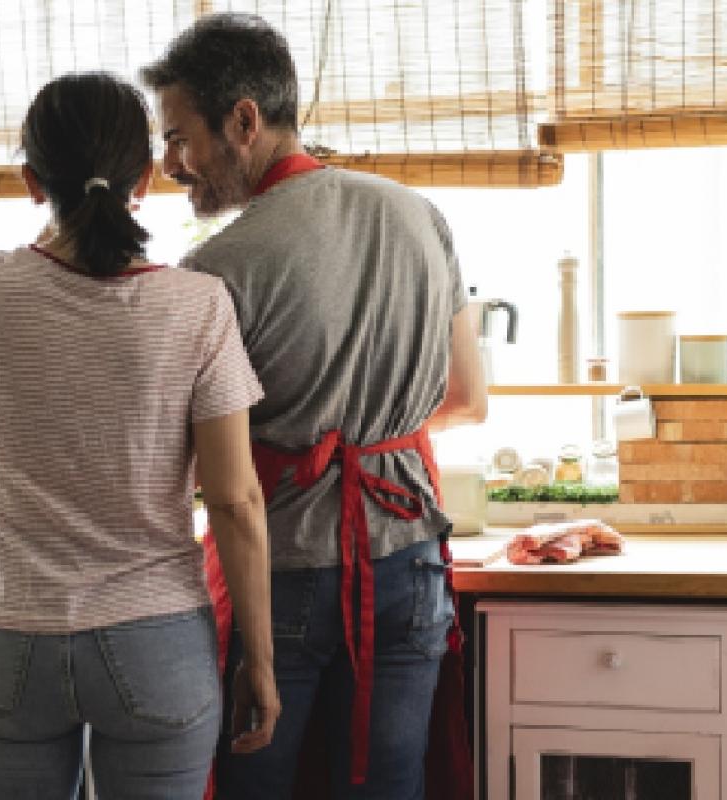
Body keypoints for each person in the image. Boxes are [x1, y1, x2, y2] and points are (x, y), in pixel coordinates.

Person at [141, 14, 488, 800]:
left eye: (178, 137)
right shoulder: (419, 215)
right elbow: (468, 397)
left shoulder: (217, 270)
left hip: (284, 570)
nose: (169, 165)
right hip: (412, 558)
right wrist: (365, 435)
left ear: (242, 121)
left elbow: (179, 457)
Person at [0, 71, 281, 800]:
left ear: (32, 182)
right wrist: (259, 658)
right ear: (147, 179)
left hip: (11, 641)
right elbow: (234, 500)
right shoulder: (198, 306)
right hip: (154, 639)